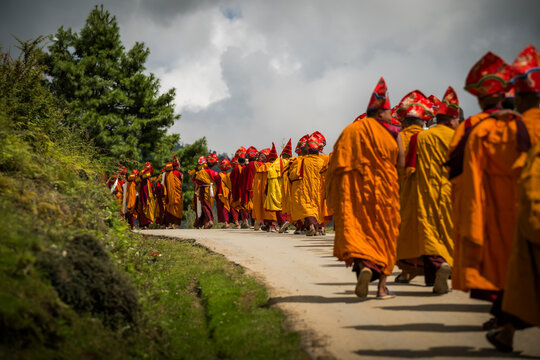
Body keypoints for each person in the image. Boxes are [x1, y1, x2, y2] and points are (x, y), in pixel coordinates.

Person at [326, 77, 404, 299]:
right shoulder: (392, 132)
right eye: (389, 112)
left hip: (355, 195)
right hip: (385, 192)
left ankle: (365, 267)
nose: (391, 116)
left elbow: (336, 166)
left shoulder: (351, 131)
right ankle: (381, 288)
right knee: (385, 235)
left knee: (359, 230)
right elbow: (401, 163)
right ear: (380, 113)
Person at [447, 52, 513, 311]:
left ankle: (501, 312)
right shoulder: (520, 124)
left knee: (492, 255)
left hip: (481, 202)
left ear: (481, 98)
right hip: (516, 203)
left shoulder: (471, 126)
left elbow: (455, 167)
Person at [487, 44, 540, 352]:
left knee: (522, 276)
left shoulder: (517, 127)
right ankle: (505, 330)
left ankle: (506, 330)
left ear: (520, 97)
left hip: (528, 209)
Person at [397, 87, 459, 294]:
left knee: (429, 234)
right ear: (452, 120)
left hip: (425, 194)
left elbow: (409, 169)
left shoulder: (420, 138)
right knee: (450, 232)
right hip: (453, 192)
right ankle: (440, 274)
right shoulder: (459, 137)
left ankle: (438, 267)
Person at [394, 91, 429, 283]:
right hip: (429, 192)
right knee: (426, 228)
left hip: (401, 192)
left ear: (403, 121)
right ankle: (434, 266)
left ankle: (407, 271)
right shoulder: (429, 137)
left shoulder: (397, 138)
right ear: (423, 122)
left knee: (404, 231)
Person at [289, 133, 327, 236]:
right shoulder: (321, 162)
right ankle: (318, 228)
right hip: (318, 189)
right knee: (316, 208)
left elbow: (293, 175)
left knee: (306, 207)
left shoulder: (302, 161)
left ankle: (310, 226)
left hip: (305, 188)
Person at [265, 142, 292, 231]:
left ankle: (282, 223)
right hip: (287, 186)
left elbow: (270, 174)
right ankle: (286, 224)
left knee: (278, 206)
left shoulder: (277, 162)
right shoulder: (291, 162)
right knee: (287, 205)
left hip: (276, 186)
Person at [289, 135, 310, 234]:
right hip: (297, 185)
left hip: (307, 185)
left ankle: (308, 226)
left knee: (306, 205)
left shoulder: (311, 160)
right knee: (298, 205)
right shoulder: (295, 160)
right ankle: (301, 226)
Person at [190, 156, 216, 229]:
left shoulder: (200, 172)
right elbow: (217, 179)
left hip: (202, 190)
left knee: (204, 206)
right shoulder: (212, 172)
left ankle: (209, 221)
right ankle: (205, 223)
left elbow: (196, 182)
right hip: (211, 190)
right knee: (207, 205)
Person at [231, 147, 250, 229]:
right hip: (245, 190)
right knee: (245, 205)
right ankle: (245, 222)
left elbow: (232, 180)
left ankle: (237, 223)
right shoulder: (247, 168)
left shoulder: (235, 169)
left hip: (237, 190)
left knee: (234, 206)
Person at [163, 155, 183, 228]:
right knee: (178, 208)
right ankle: (177, 224)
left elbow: (165, 184)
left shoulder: (167, 175)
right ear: (177, 166)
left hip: (170, 194)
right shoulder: (180, 174)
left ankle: (171, 224)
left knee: (170, 208)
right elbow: (181, 184)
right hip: (178, 195)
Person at [216, 158, 235, 229]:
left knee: (223, 208)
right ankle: (236, 222)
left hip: (221, 193)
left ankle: (226, 223)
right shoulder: (229, 175)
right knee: (230, 207)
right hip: (229, 193)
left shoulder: (218, 176)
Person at [138, 162, 156, 228]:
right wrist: (145, 169)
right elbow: (141, 175)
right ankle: (144, 224)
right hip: (144, 195)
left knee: (149, 207)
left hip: (149, 197)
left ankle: (149, 222)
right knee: (144, 206)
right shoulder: (143, 179)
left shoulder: (149, 181)